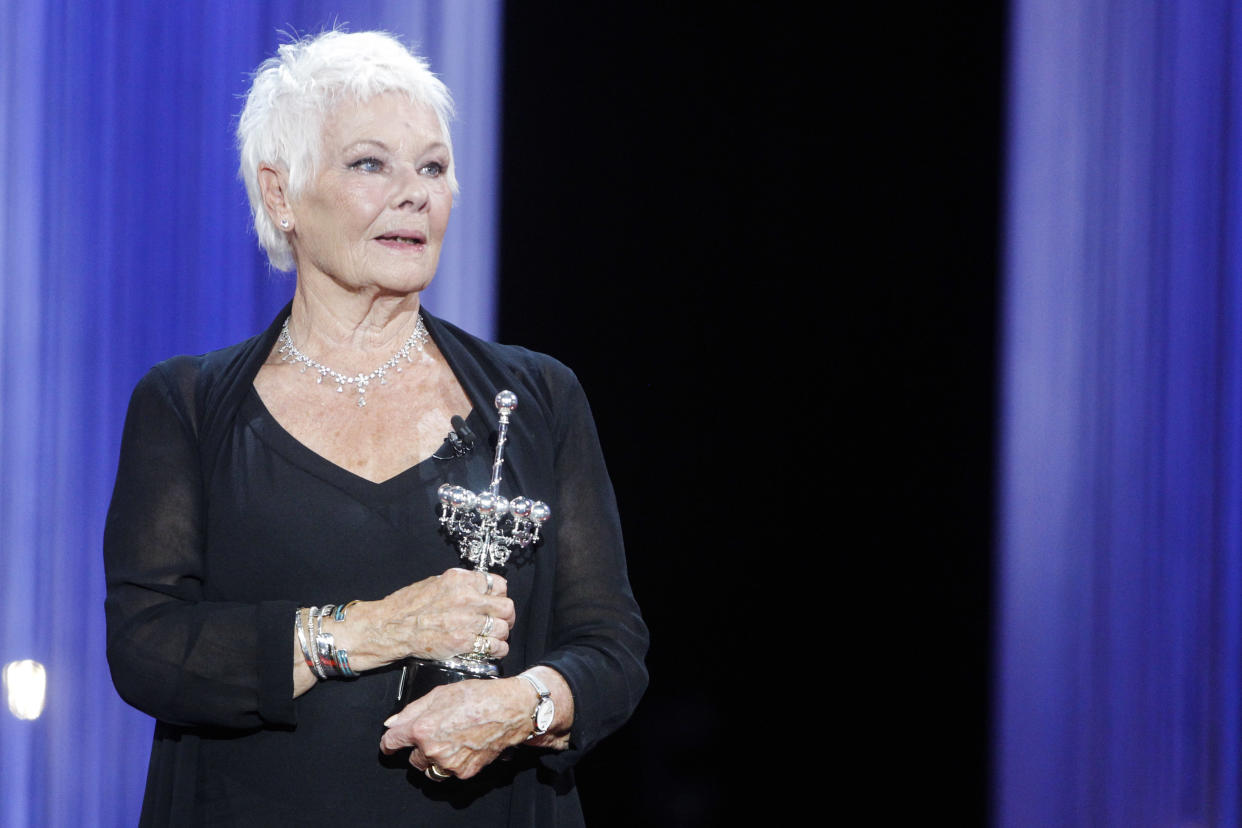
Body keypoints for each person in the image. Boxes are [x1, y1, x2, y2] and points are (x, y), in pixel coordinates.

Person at [103, 30, 648, 826]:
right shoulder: (188, 405)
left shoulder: (536, 398)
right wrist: (377, 629)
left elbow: (611, 649)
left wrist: (525, 705)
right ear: (281, 194)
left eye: (432, 166)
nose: (414, 192)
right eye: (370, 164)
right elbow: (149, 650)